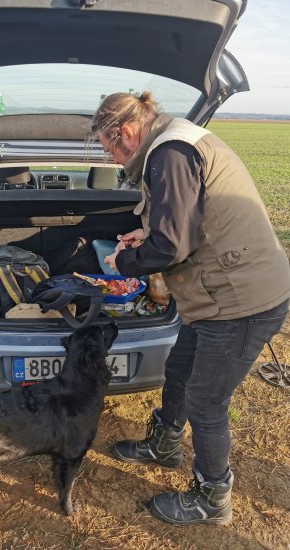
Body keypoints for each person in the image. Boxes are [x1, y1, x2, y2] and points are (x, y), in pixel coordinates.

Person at [90, 91, 290, 526]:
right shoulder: (173, 145)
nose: (109, 154)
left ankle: (211, 496)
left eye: (107, 145)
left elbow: (173, 246)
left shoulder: (170, 153)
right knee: (180, 369)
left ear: (125, 131)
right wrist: (147, 238)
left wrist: (123, 262)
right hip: (218, 295)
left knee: (206, 401)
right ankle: (164, 444)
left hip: (241, 300)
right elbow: (186, 225)